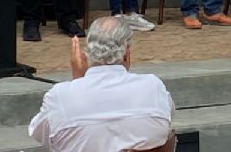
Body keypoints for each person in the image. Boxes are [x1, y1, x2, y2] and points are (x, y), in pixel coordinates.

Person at [29, 16, 174, 152]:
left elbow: (41, 134)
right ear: (126, 54)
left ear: (87, 55)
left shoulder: (60, 96)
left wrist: (78, 81)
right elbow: (167, 119)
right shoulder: (152, 86)